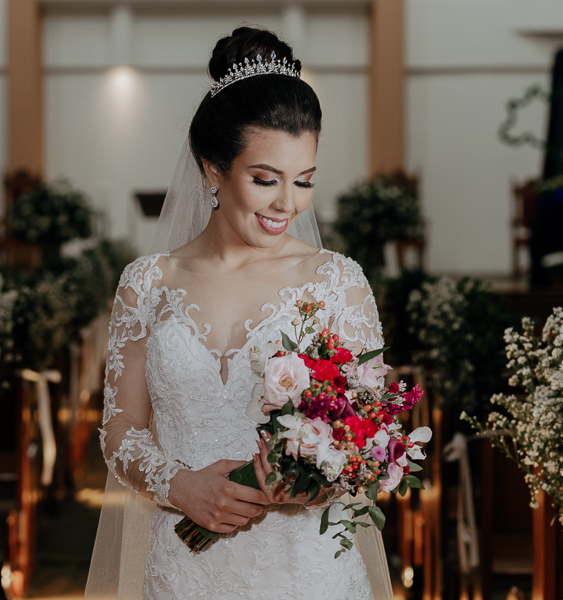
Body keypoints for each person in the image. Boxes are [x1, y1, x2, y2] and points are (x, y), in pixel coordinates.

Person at [84, 26, 392, 599]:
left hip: (305, 571)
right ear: (212, 169)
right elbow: (119, 427)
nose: (288, 204)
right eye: (265, 179)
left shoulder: (336, 282)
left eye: (304, 181)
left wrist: (309, 481)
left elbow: (365, 434)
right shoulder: (147, 284)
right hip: (183, 569)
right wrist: (179, 486)